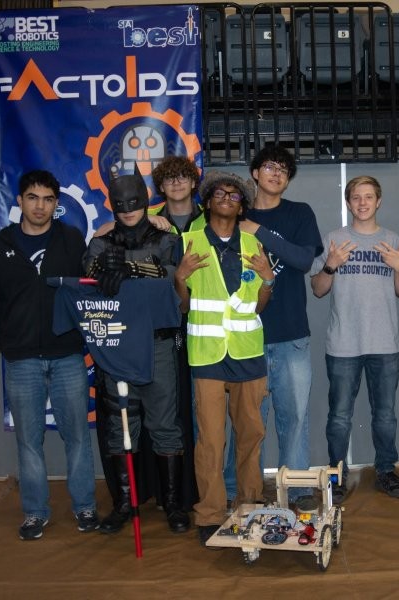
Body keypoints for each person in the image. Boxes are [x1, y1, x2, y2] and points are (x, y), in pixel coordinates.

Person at [0, 170, 99, 540]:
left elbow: (86, 291)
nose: (40, 206)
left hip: (67, 355)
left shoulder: (71, 239)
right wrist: (9, 343)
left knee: (77, 437)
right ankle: (35, 513)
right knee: (28, 441)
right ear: (20, 200)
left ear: (56, 204)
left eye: (48, 199)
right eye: (33, 198)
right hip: (21, 359)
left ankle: (85, 506)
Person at [83, 169, 191, 534]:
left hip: (158, 342)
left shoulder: (166, 238)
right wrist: (102, 272)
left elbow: (172, 278)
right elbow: (88, 280)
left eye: (134, 202)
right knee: (121, 426)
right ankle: (124, 503)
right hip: (117, 345)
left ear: (145, 201)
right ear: (112, 206)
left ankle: (172, 504)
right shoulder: (101, 242)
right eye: (120, 204)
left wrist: (128, 268)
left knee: (165, 424)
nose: (128, 209)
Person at [173, 171, 274, 546]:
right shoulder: (189, 242)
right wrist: (179, 278)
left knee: (251, 436)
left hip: (248, 354)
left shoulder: (253, 244)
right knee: (211, 442)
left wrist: (268, 280)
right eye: (220, 193)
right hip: (208, 357)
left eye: (234, 195)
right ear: (206, 201)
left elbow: (259, 305)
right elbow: (182, 306)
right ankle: (211, 514)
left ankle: (249, 507)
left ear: (242, 205)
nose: (227, 199)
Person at [224, 143, 323, 503]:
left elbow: (302, 260)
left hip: (291, 334)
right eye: (269, 166)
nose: (276, 173)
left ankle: (297, 490)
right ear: (255, 173)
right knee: (246, 423)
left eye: (283, 169)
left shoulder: (299, 213)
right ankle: (239, 491)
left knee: (295, 419)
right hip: (244, 336)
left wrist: (259, 232)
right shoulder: (234, 213)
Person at [310, 176, 399, 504]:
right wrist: (330, 265)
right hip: (343, 345)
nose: (363, 203)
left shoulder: (392, 240)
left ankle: (386, 471)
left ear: (378, 201)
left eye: (369, 197)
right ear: (348, 202)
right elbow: (318, 289)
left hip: (385, 345)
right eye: (356, 197)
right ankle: (337, 476)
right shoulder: (334, 239)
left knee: (385, 415)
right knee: (339, 416)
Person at [150, 155, 205, 234]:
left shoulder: (210, 216)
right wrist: (144, 221)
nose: (176, 183)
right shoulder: (149, 217)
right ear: (161, 187)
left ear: (193, 183)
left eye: (182, 177)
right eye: (169, 178)